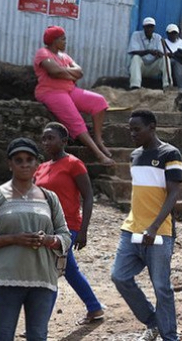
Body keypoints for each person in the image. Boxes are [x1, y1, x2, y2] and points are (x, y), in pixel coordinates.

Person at [111, 109, 182, 341]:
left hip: (159, 232)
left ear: (152, 127)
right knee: (119, 277)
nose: (132, 133)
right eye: (130, 129)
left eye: (137, 129)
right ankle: (153, 321)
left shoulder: (169, 153)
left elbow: (174, 193)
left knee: (161, 287)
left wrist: (153, 227)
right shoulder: (135, 155)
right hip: (131, 229)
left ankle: (169, 336)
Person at [0, 138, 71, 341]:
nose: (24, 164)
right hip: (5, 280)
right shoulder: (1, 195)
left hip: (42, 279)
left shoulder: (49, 198)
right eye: (18, 160)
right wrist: (15, 238)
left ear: (37, 164)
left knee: (38, 335)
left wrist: (50, 240)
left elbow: (65, 235)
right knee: (3, 334)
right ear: (10, 164)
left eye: (29, 160)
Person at [34, 122, 104, 325]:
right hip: (46, 229)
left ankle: (39, 325)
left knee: (51, 271)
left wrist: (83, 231)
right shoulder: (42, 167)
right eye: (44, 138)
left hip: (68, 227)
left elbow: (88, 197)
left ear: (64, 141)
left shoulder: (74, 164)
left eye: (51, 138)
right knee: (69, 270)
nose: (46, 142)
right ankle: (94, 308)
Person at [33, 26, 114, 166]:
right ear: (54, 40)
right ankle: (99, 155)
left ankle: (99, 140)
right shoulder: (43, 53)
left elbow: (80, 72)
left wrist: (62, 71)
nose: (65, 42)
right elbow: (53, 72)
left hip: (70, 90)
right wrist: (70, 73)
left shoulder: (64, 56)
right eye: (62, 39)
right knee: (76, 120)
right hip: (51, 92)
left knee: (99, 102)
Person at [128, 17, 170, 90]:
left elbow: (162, 53)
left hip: (153, 67)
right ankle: (135, 86)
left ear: (154, 28)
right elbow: (133, 51)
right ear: (143, 27)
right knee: (135, 58)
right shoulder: (136, 35)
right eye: (147, 27)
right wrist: (149, 51)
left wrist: (158, 53)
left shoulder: (158, 37)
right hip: (141, 67)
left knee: (165, 59)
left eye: (151, 27)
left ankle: (167, 85)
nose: (149, 29)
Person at [163, 24, 182, 95]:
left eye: (175, 33)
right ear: (167, 33)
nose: (173, 35)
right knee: (177, 63)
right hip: (171, 66)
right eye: (171, 33)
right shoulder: (164, 42)